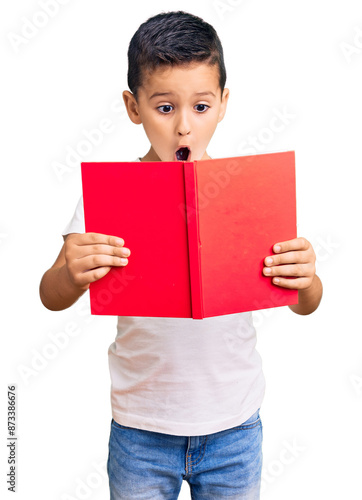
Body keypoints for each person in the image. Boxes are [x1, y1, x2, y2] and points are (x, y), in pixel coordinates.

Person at [39, 11, 323, 500]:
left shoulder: (249, 195)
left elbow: (306, 301)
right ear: (134, 107)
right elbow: (50, 295)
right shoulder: (110, 196)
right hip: (141, 429)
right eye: (165, 108)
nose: (185, 128)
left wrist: (307, 279)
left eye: (202, 107)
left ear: (224, 104)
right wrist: (71, 272)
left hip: (235, 426)